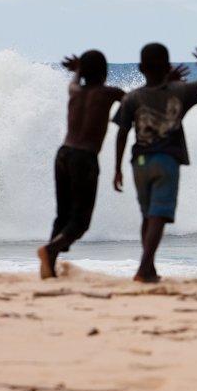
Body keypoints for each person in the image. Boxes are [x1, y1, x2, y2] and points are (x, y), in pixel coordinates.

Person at [112, 43, 197, 283]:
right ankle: (143, 269)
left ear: (140, 68)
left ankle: (148, 269)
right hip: (166, 161)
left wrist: (117, 168)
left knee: (148, 216)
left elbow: (121, 133)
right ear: (168, 66)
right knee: (159, 216)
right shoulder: (178, 92)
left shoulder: (132, 98)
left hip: (139, 162)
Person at [37, 50, 126, 278]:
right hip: (85, 159)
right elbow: (132, 102)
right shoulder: (110, 93)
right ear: (104, 72)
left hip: (63, 154)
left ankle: (48, 267)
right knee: (81, 222)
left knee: (62, 215)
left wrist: (78, 70)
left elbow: (75, 80)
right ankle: (50, 250)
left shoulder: (74, 90)